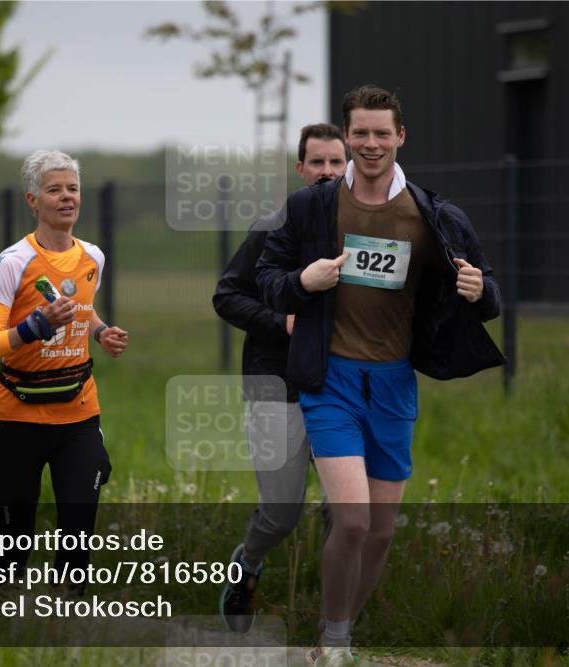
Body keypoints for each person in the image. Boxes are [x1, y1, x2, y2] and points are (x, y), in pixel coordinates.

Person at [255, 87, 504, 666]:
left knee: (382, 534)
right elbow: (266, 276)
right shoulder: (310, 208)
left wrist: (479, 292)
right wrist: (301, 283)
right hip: (330, 382)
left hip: (393, 384)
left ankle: (335, 629)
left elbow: (487, 291)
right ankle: (337, 646)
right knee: (353, 519)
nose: (369, 144)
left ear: (400, 137)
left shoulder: (434, 214)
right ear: (346, 138)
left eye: (380, 133)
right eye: (358, 134)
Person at [0, 149, 128, 595]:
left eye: (73, 189)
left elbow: (81, 308)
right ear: (32, 200)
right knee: (14, 546)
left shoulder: (92, 256)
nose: (66, 198)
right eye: (54, 190)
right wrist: (33, 328)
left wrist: (99, 333)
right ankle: (2, 624)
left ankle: (65, 630)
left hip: (78, 414)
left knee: (78, 534)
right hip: (17, 416)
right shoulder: (14, 262)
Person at [214, 123, 348, 632]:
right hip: (276, 386)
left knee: (346, 508)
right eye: (318, 163)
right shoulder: (274, 225)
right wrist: (282, 322)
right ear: (300, 168)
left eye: (337, 163)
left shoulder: (361, 231)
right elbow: (227, 295)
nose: (327, 173)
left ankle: (334, 622)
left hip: (339, 387)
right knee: (281, 513)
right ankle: (246, 566)